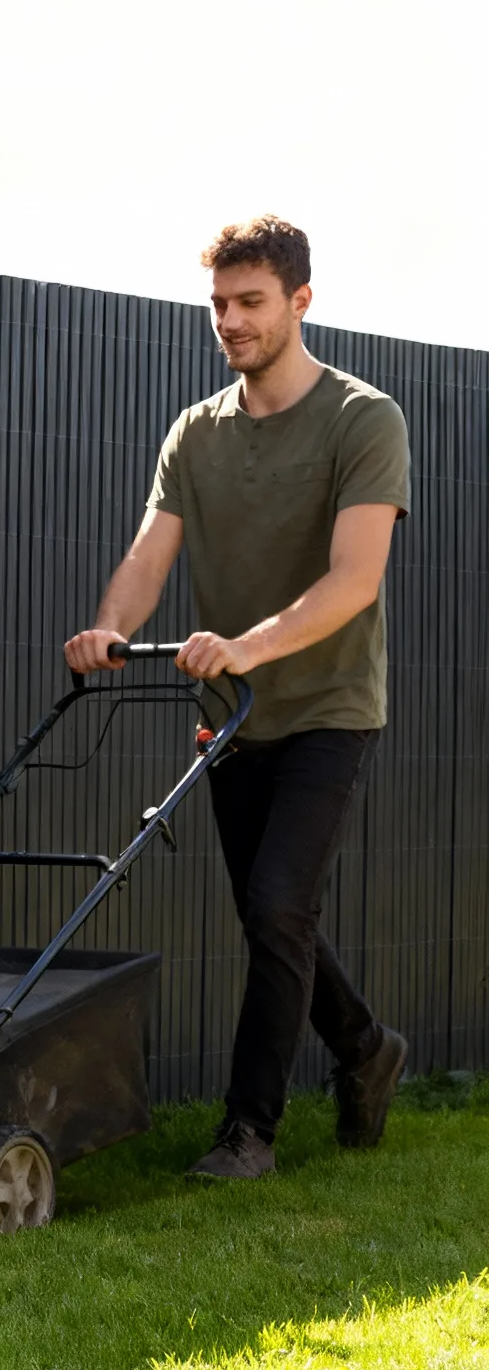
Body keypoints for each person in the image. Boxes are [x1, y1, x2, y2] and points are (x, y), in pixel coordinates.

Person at [64, 215, 410, 1179]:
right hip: (232, 717)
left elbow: (354, 581)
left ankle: (248, 1130)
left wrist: (247, 644)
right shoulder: (196, 432)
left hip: (327, 708)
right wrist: (110, 630)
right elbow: (149, 553)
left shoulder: (362, 418)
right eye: (219, 304)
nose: (230, 321)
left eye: (250, 303)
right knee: (277, 918)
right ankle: (366, 1049)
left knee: (274, 908)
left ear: (301, 301)